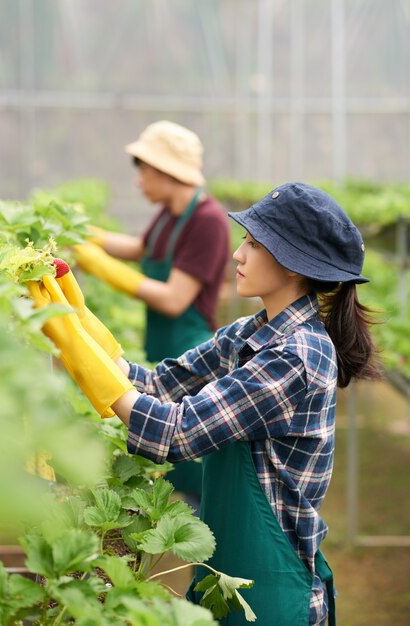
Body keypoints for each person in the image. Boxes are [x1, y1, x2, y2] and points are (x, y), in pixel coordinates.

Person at [29, 182, 382, 625]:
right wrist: (76, 318)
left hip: (272, 590)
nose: (238, 254)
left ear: (293, 264)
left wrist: (71, 346)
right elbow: (157, 383)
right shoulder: (249, 334)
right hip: (222, 575)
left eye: (254, 244)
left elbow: (172, 433)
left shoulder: (297, 357)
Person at [74, 120, 230, 504]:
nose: (139, 179)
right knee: (165, 448)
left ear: (166, 171)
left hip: (193, 349)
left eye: (143, 169)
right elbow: (140, 249)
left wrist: (101, 267)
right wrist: (83, 234)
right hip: (164, 345)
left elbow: (175, 298)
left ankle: (206, 548)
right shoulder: (170, 213)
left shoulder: (207, 221)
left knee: (188, 458)